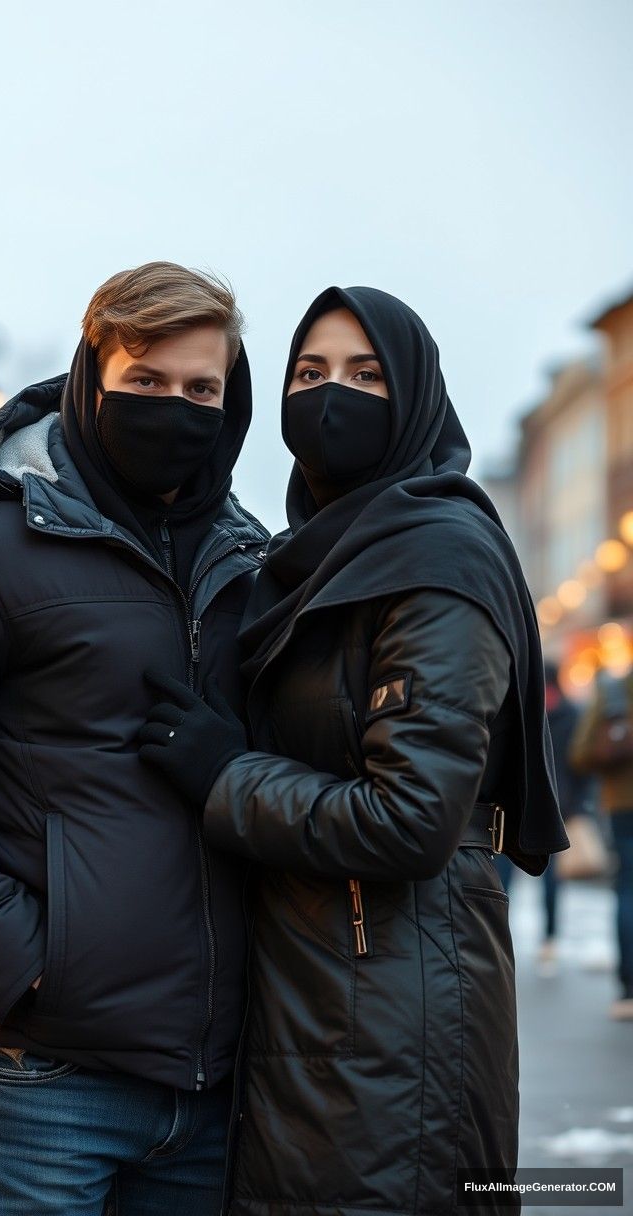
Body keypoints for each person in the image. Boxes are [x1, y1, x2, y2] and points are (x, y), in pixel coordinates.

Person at [0, 262, 269, 1215]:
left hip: (215, 1083)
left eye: (203, 389)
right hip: (44, 1082)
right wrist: (27, 969)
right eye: (145, 381)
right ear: (90, 379)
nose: (176, 408)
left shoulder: (250, 563)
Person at [138, 286, 570, 1215]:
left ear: (413, 397)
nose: (332, 395)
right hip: (322, 982)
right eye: (310, 372)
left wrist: (224, 774)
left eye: (367, 375)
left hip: (390, 998)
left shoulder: (438, 558)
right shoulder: (316, 554)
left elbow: (409, 820)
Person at [493, 660, 597, 975]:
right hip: (512, 812)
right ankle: (500, 938)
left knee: (552, 882)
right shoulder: (524, 709)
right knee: (501, 881)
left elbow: (581, 764)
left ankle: (549, 940)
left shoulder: (569, 715)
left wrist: (576, 803)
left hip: (557, 810)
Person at [570, 666, 633, 1019]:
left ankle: (629, 990)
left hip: (624, 805)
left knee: (628, 891)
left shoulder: (614, 691)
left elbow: (579, 753)